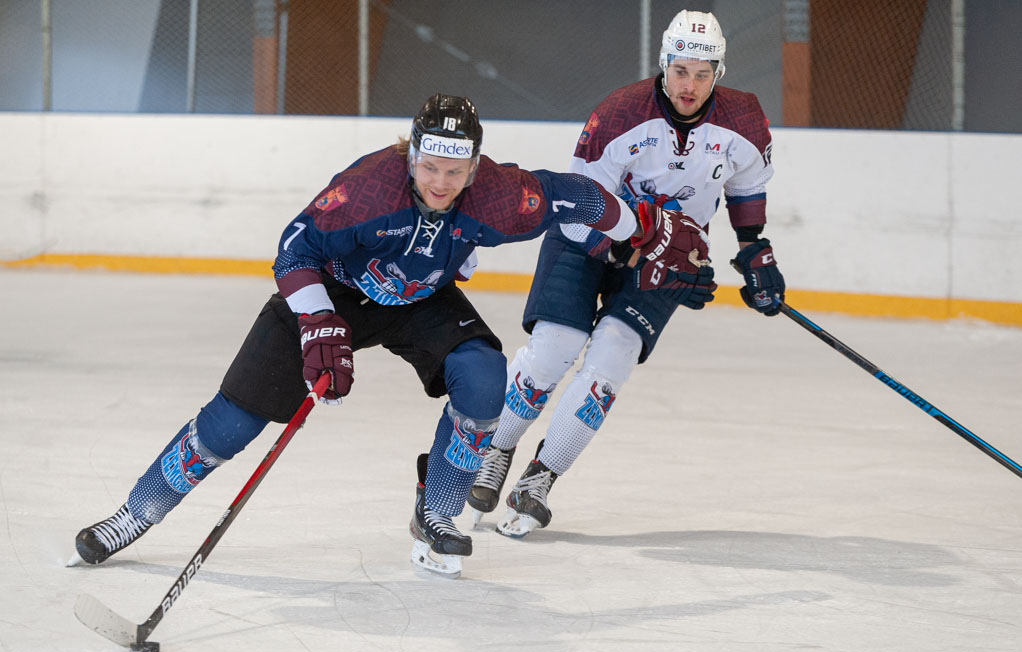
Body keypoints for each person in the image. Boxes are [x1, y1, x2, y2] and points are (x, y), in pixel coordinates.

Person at [70, 93, 705, 577]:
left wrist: (647, 228)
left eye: (457, 172)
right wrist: (319, 324)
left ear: (475, 167)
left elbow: (578, 197)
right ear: (412, 155)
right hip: (334, 293)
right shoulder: (368, 190)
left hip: (420, 301)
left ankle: (437, 511)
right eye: (431, 167)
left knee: (484, 381)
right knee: (233, 422)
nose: (442, 184)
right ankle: (135, 514)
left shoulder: (497, 196)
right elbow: (294, 249)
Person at [468, 10, 786, 537]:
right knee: (554, 348)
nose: (691, 86)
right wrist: (634, 256)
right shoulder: (620, 113)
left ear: (719, 74)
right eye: (681, 71)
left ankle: (540, 478)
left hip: (672, 253)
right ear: (664, 65)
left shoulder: (744, 118)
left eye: (704, 74)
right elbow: (581, 206)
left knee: (612, 356)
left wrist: (755, 250)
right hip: (590, 242)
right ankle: (496, 450)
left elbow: (746, 185)